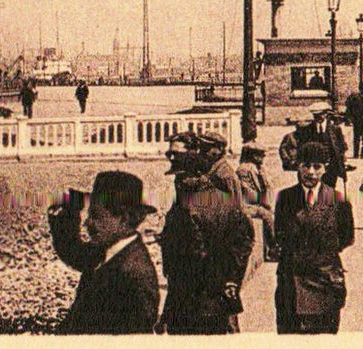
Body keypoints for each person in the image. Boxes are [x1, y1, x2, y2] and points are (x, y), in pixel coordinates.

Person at [157, 131, 254, 334]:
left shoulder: (212, 191)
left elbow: (239, 229)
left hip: (200, 298)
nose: (172, 159)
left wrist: (228, 279)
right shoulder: (194, 195)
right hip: (203, 294)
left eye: (178, 156)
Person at [46, 170, 160, 334]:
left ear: (124, 218)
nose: (87, 224)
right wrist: (67, 214)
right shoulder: (110, 250)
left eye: (96, 216)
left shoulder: (135, 274)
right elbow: (74, 253)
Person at [272, 141, 356, 334]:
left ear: (325, 169)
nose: (311, 172)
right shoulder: (285, 198)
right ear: (298, 167)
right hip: (291, 283)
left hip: (325, 281)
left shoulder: (338, 200)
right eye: (305, 166)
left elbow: (346, 237)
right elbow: (280, 235)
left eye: (317, 167)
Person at [280, 110, 348, 188]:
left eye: (320, 115)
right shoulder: (307, 129)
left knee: (329, 190)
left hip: (331, 167)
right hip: (315, 167)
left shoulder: (335, 129)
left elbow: (342, 147)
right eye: (315, 116)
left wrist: (342, 163)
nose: (318, 118)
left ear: (325, 114)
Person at [236, 142, 278, 260]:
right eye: (261, 155)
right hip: (245, 204)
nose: (263, 158)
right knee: (266, 215)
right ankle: (274, 248)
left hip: (257, 202)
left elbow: (267, 187)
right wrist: (264, 202)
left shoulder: (258, 168)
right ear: (253, 156)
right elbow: (248, 193)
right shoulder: (244, 170)